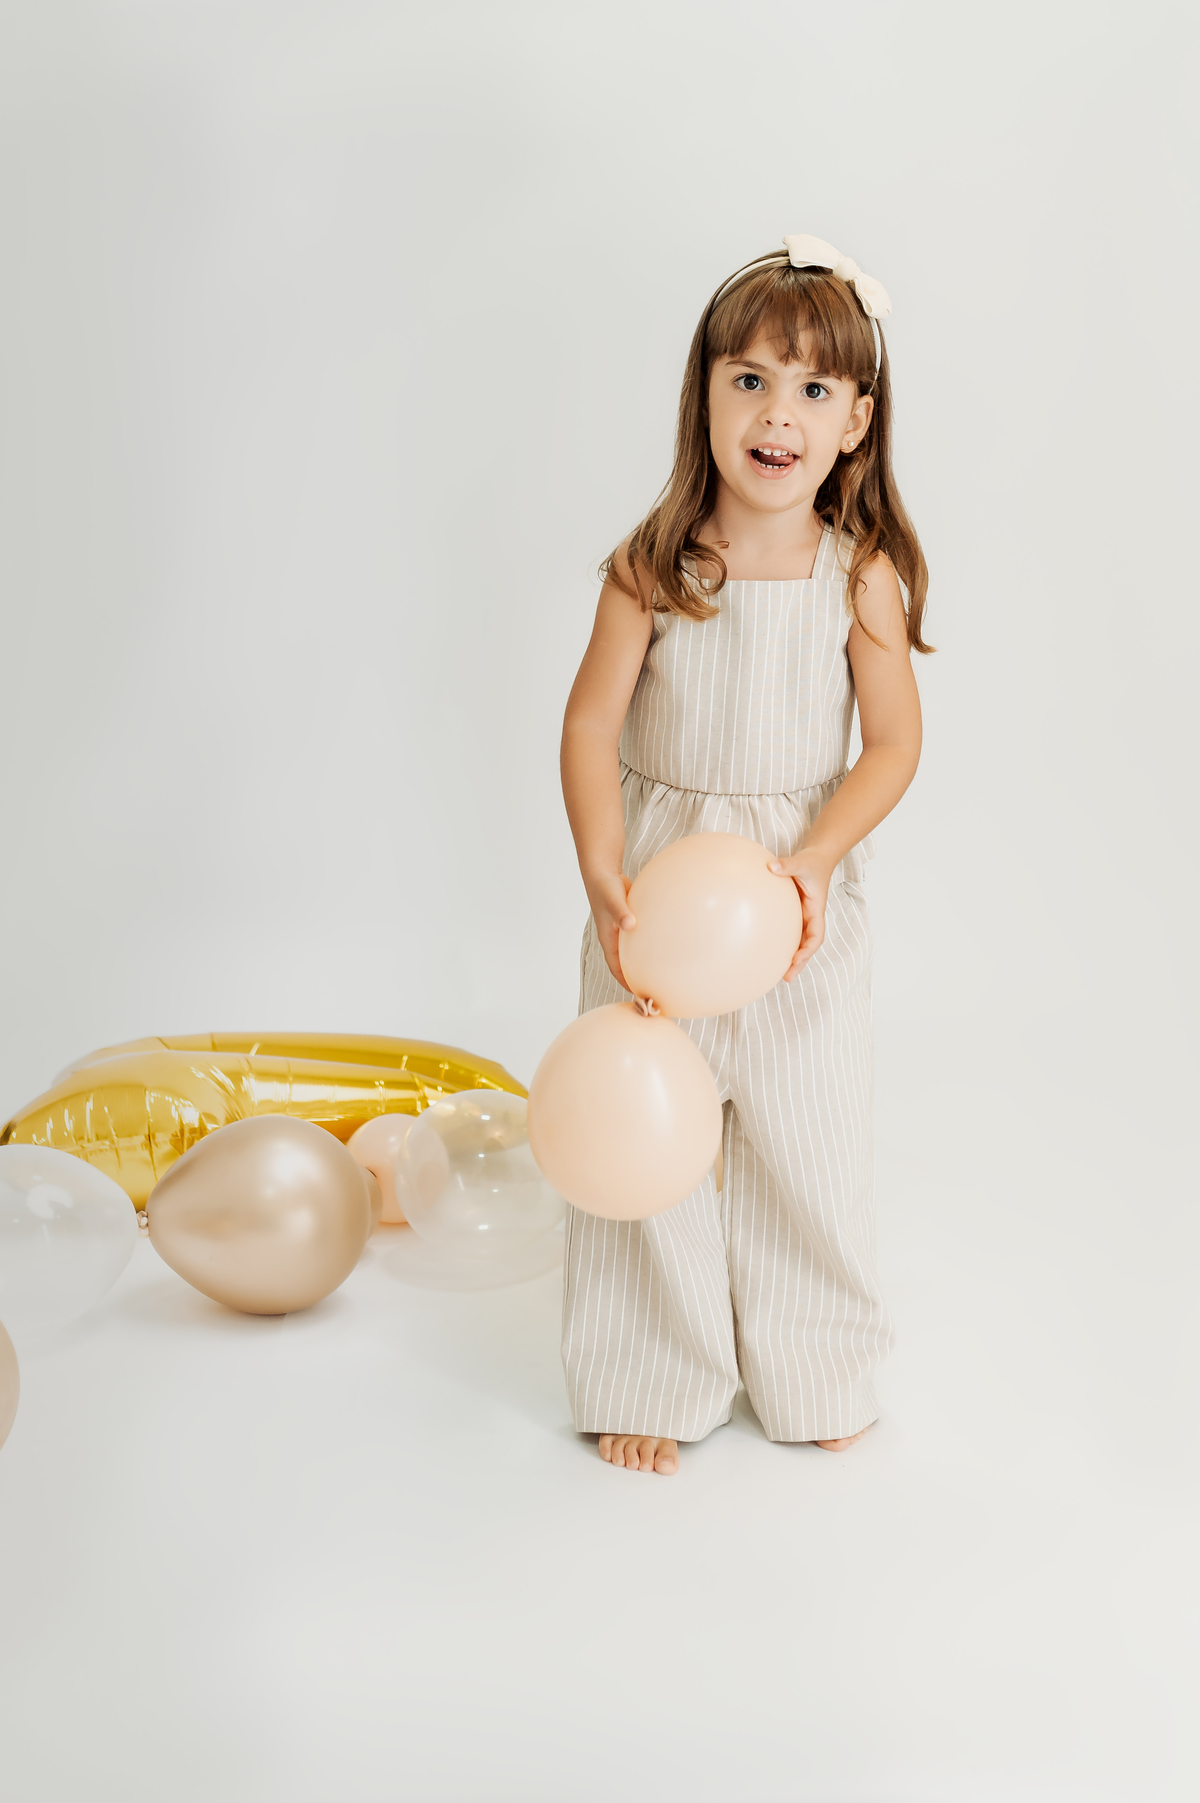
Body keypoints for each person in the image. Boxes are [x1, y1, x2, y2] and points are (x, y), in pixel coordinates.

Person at [558, 235, 932, 1474]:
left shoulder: (858, 578)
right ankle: (648, 1370)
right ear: (706, 394)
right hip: (658, 897)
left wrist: (814, 859)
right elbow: (590, 726)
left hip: (790, 900)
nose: (779, 414)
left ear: (855, 423)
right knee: (647, 1137)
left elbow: (891, 746)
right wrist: (603, 872)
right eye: (752, 381)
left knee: (804, 1138)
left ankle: (815, 1361)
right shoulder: (654, 568)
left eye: (814, 389)